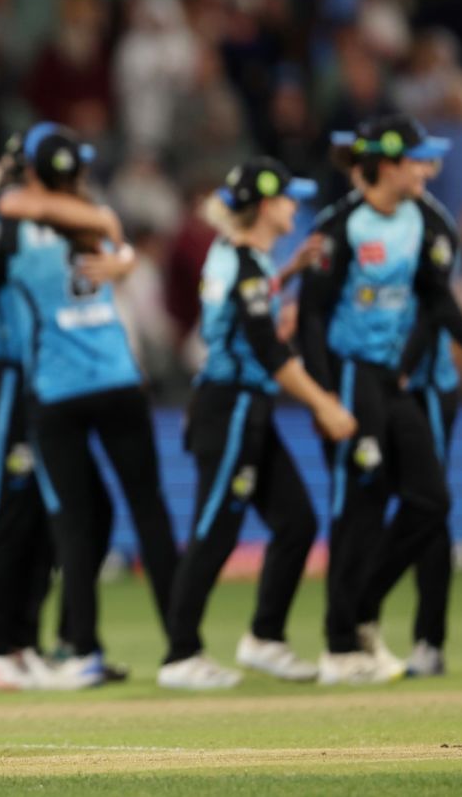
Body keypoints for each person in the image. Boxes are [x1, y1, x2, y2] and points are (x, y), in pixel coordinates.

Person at [0, 122, 178, 689]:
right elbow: (4, 222)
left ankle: (30, 641)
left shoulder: (54, 222)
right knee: (11, 511)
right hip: (7, 375)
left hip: (41, 379)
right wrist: (114, 232)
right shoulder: (11, 214)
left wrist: (120, 246)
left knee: (53, 512)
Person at [297, 114, 462, 685]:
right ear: (388, 165)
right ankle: (342, 646)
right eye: (418, 160)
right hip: (350, 377)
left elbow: (435, 298)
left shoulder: (420, 222)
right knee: (358, 504)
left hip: (396, 381)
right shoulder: (341, 227)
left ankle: (360, 608)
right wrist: (321, 396)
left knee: (430, 499)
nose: (430, 169)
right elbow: (311, 315)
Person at [157, 157, 357, 690]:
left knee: (296, 524)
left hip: (247, 409)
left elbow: (252, 314)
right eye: (290, 198)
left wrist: (288, 273)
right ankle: (180, 655)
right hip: (231, 410)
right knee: (214, 532)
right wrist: (325, 404)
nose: (297, 206)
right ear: (267, 205)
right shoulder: (246, 267)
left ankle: (265, 638)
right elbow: (270, 352)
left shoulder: (244, 256)